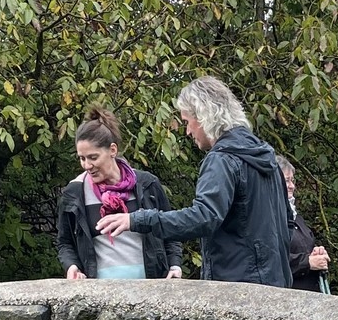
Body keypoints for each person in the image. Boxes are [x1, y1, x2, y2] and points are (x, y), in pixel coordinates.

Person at [96, 77, 291, 286]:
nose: (188, 131)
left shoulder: (222, 160)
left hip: (237, 287)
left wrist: (138, 220)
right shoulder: (266, 158)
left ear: (204, 116)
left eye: (187, 121)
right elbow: (288, 221)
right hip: (275, 284)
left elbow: (204, 217)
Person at [55, 108, 182, 281]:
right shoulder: (74, 192)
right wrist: (72, 266)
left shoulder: (147, 184)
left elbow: (170, 230)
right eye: (82, 158)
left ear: (112, 150)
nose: (87, 165)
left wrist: (175, 265)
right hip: (99, 291)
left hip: (151, 287)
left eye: (93, 157)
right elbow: (65, 243)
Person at [278, 156, 330, 293]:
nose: (292, 186)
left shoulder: (295, 216)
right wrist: (307, 262)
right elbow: (271, 258)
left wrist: (317, 253)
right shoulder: (269, 217)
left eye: (292, 180)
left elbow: (304, 247)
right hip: (286, 295)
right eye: (287, 181)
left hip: (311, 293)